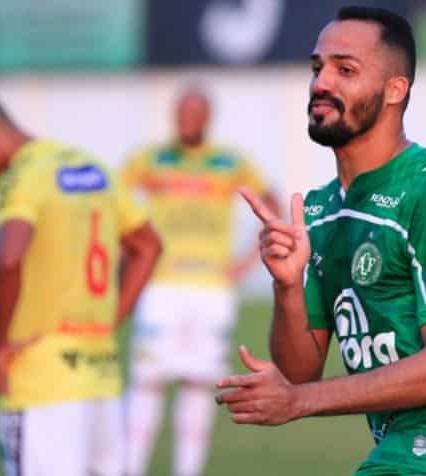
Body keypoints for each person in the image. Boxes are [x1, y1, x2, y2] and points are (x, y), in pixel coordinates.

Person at [216, 6, 426, 475]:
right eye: (317, 67)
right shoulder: (323, 210)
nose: (321, 82)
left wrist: (299, 401)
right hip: (413, 448)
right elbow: (299, 370)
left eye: (345, 69)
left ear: (395, 90)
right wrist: (287, 286)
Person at [122, 85, 280, 476]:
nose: (187, 121)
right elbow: (114, 198)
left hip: (211, 289)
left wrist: (249, 259)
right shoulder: (153, 160)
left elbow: (271, 203)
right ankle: (129, 468)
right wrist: (130, 249)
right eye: (181, 113)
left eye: (194, 114)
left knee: (197, 384)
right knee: (147, 382)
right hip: (161, 285)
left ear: (208, 117)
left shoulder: (228, 163)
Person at [0, 100, 162, 476]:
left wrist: (0, 344)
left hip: (40, 380)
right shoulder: (91, 166)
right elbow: (148, 245)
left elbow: (8, 258)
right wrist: (109, 321)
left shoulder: (22, 177)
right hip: (99, 373)